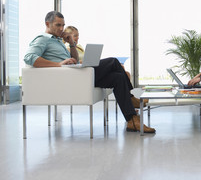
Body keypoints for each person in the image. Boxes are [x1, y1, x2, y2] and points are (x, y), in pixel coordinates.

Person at [24, 11, 155, 133]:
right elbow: (29, 57)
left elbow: (74, 59)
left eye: (62, 25)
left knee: (118, 77)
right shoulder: (42, 39)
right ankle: (131, 98)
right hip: (71, 78)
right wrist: (58, 64)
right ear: (47, 24)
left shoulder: (58, 40)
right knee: (113, 61)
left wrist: (71, 43)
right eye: (58, 25)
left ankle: (132, 121)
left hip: (77, 75)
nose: (61, 29)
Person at [63, 26, 145, 108]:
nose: (77, 38)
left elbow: (85, 59)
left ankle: (130, 101)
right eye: (75, 36)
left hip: (90, 70)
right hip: (85, 74)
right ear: (68, 37)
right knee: (114, 61)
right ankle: (130, 98)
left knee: (120, 71)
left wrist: (91, 61)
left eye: (78, 35)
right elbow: (74, 62)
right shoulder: (68, 49)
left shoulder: (79, 47)